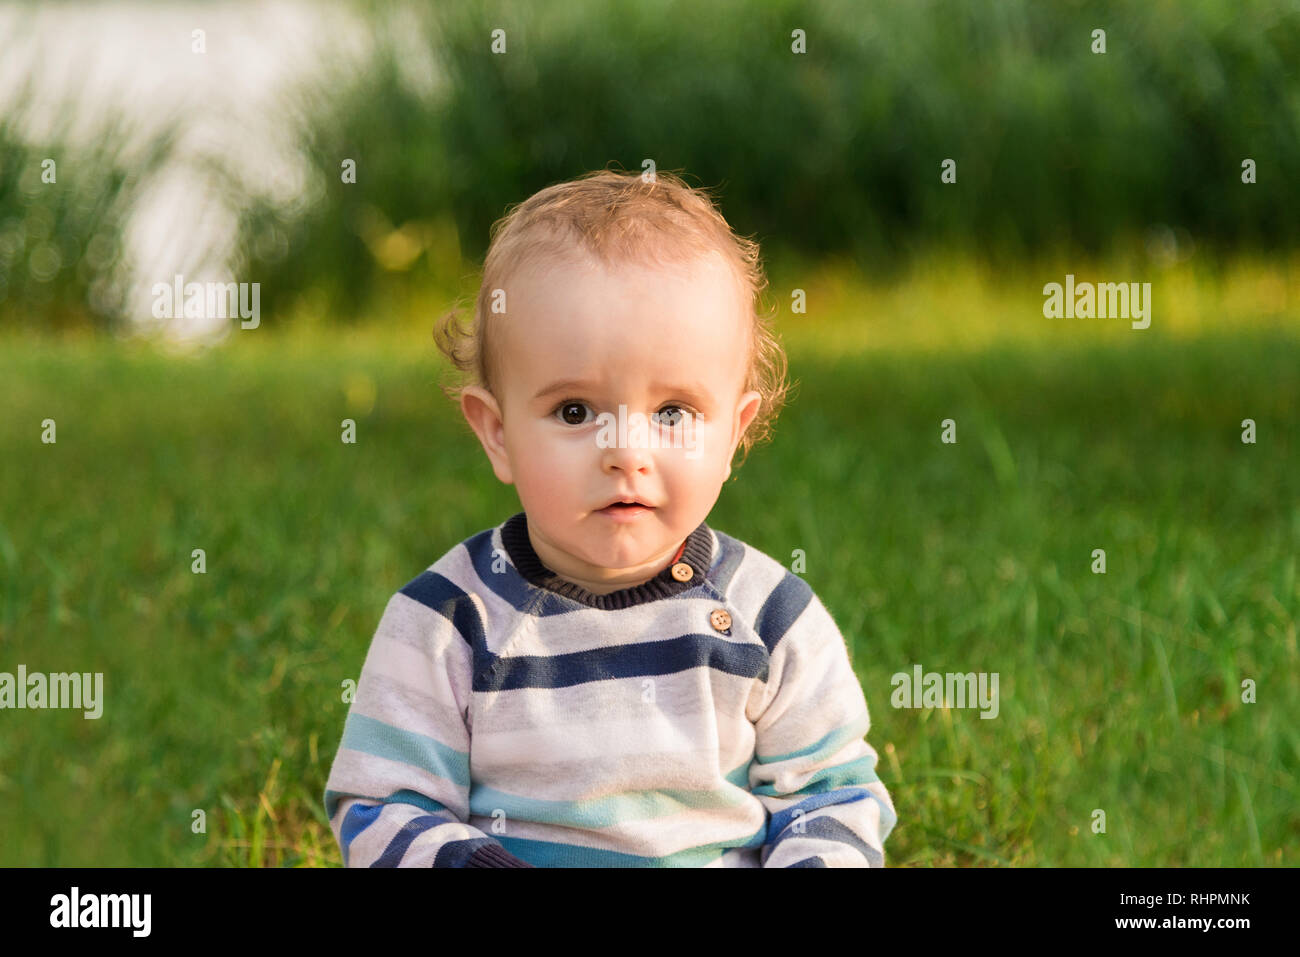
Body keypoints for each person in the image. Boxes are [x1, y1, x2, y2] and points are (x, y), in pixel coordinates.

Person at [323, 168, 897, 866]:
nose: (625, 451)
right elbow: (384, 804)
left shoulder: (768, 617)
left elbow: (833, 798)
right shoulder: (450, 622)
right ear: (497, 431)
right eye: (575, 411)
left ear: (733, 435)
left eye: (674, 413)